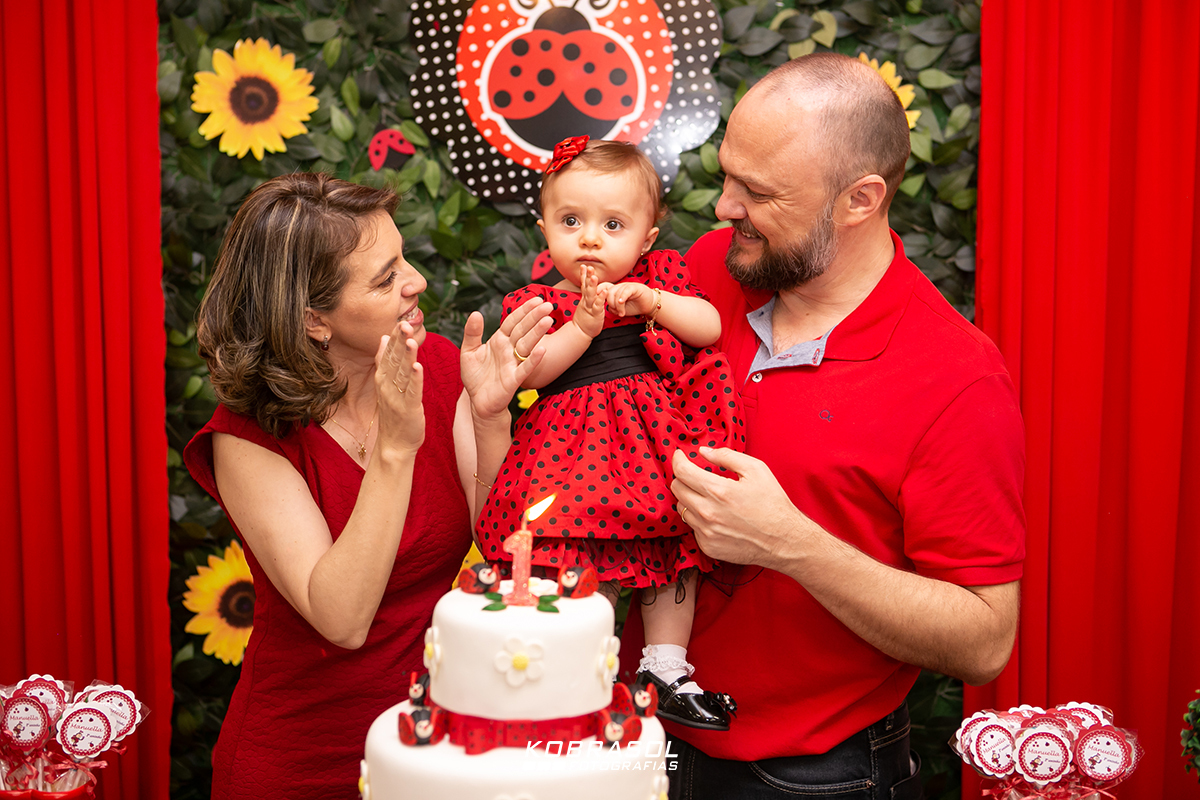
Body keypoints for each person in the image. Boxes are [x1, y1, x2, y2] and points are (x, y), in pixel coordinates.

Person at [622, 52, 1026, 798]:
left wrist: (793, 546)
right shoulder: (710, 272)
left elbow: (984, 638)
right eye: (727, 176)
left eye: (759, 191)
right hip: (633, 742)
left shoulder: (957, 378)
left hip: (811, 777)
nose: (723, 208)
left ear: (860, 199)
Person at [182, 172, 553, 800]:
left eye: (404, 258)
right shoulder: (246, 437)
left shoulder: (436, 364)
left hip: (435, 748)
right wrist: (395, 448)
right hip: (301, 759)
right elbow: (341, 618)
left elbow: (502, 546)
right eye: (386, 278)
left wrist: (489, 419)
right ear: (313, 321)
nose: (417, 282)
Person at [474, 137, 743, 730]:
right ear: (544, 227)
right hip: (572, 452)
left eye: (613, 224)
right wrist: (582, 328)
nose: (590, 238)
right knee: (581, 549)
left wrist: (654, 303)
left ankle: (665, 667)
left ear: (647, 237)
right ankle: (583, 668)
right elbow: (533, 371)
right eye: (571, 221)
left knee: (672, 547)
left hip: (649, 442)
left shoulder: (662, 277)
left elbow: (709, 328)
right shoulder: (538, 302)